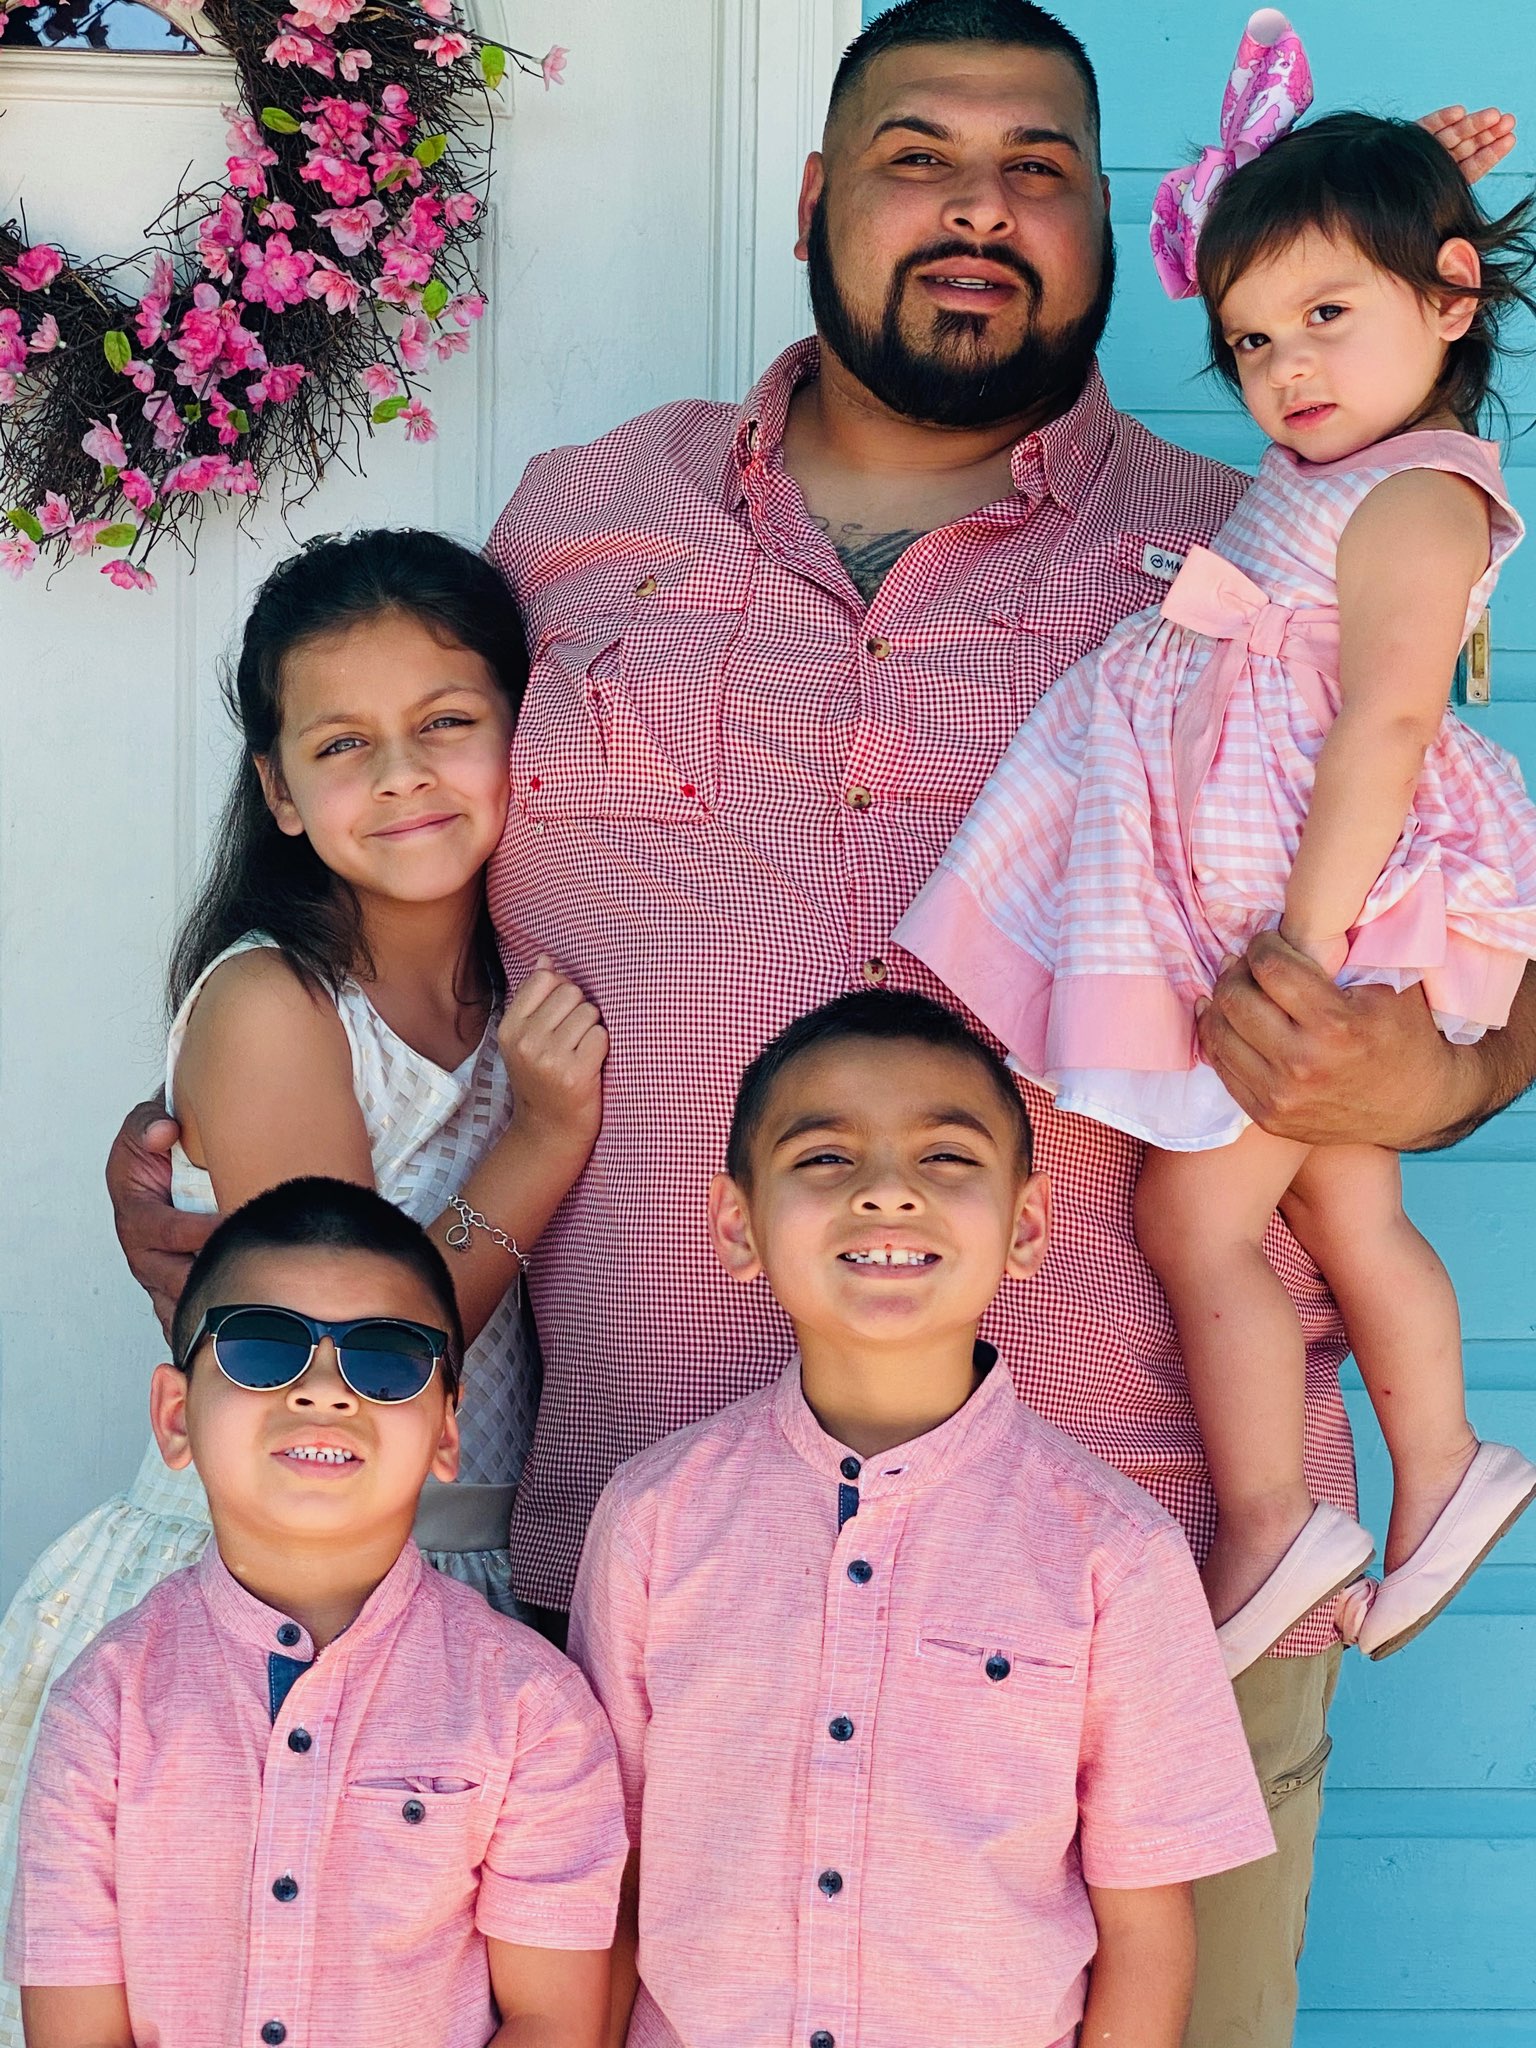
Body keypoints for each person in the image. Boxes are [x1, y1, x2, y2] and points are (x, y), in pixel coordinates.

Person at [102, 5, 1532, 2039]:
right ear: (812, 201)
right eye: (915, 155)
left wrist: (1442, 1066)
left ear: (1111, 225)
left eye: (1039, 168)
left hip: (1155, 1564)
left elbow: (1465, 894)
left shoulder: (1257, 554)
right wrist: (267, 1183)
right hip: (641, 1593)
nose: (979, 207)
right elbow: (402, 879)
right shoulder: (580, 525)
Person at [896, 17, 1536, 1677]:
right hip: (1277, 891)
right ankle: (1443, 1465)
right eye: (1252, 338)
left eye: (1326, 320)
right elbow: (1361, 280)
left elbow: (1388, 723)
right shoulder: (1346, 460)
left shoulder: (1417, 497)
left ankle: (1269, 1518)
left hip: (1316, 912)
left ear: (1450, 301)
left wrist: (1307, 949)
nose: (1286, 368)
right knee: (1345, 1207)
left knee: (1195, 1224)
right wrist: (1411, 186)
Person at [0, 530, 608, 2040]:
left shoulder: (520, 984)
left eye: (447, 722)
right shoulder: (275, 1001)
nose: (402, 775)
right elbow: (340, 1342)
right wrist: (541, 1143)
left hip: (444, 1587)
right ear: (278, 789)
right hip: (256, 1588)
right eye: (343, 745)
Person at [570, 990, 1276, 2048]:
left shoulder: (1114, 1551)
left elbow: (1144, 1928)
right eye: (824, 1158)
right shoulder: (652, 1522)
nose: (887, 1191)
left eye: (946, 1157)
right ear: (738, 1226)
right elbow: (604, 1881)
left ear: (1025, 1224)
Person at [5, 1178, 626, 2048]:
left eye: (387, 1359)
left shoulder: (532, 1708)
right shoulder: (102, 1705)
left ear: (447, 1432)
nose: (325, 1391)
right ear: (176, 1416)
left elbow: (550, 2018)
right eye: (263, 1347)